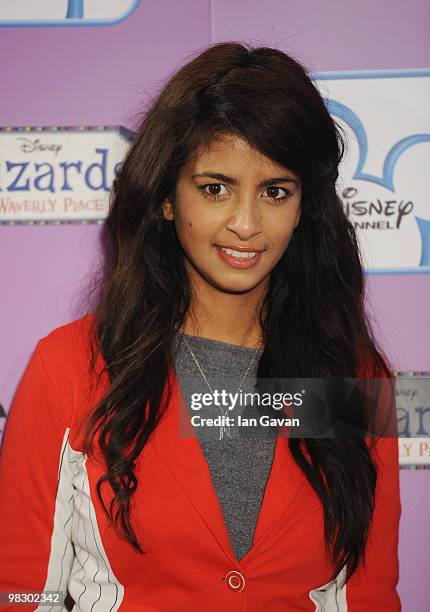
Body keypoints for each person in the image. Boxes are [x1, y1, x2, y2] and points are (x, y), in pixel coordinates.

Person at [0, 41, 401, 611]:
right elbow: (18, 590)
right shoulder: (73, 369)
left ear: (303, 206)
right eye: (215, 188)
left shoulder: (350, 378)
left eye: (275, 192)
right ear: (167, 198)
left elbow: (368, 594)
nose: (245, 224)